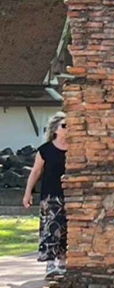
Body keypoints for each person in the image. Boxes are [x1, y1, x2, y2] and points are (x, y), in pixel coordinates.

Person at [21, 111, 68, 275]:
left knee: (66, 229)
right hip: (50, 195)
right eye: (64, 126)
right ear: (55, 129)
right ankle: (50, 264)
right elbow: (35, 172)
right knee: (50, 227)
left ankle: (63, 262)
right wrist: (28, 193)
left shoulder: (76, 149)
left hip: (71, 195)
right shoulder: (45, 150)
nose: (68, 129)